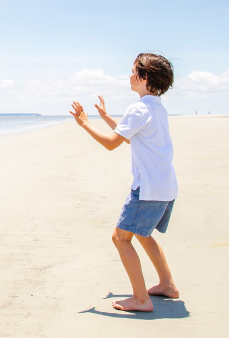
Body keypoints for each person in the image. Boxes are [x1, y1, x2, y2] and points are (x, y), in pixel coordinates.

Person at [69, 53, 179, 312]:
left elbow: (111, 144)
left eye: (133, 71)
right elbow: (129, 135)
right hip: (165, 186)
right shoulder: (155, 106)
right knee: (142, 233)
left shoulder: (139, 108)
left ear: (144, 77)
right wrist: (105, 117)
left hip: (148, 188)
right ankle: (167, 284)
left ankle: (141, 299)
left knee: (120, 238)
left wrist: (84, 123)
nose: (129, 76)